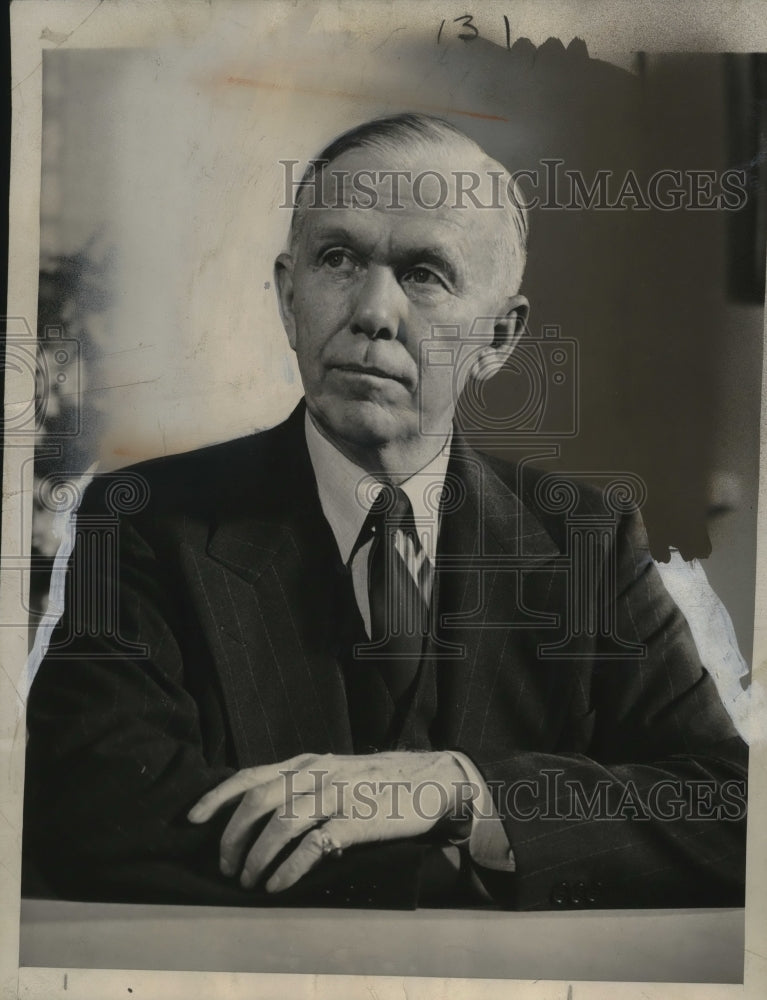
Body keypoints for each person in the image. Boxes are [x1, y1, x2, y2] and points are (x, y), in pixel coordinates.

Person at [23, 113, 747, 910]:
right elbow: (89, 809)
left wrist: (459, 791)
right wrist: (450, 868)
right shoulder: (145, 521)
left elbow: (728, 810)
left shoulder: (587, 545)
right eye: (337, 259)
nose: (372, 309)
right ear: (288, 295)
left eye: (424, 274)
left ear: (499, 337)